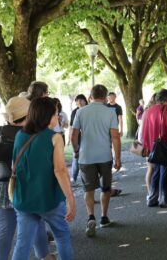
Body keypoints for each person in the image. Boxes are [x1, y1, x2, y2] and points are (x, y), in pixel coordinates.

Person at [0, 97, 53, 260]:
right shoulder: (33, 134)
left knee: (3, 232)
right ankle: (44, 256)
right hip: (25, 190)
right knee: (36, 224)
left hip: (0, 189)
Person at [11, 97, 76, 260]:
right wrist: (70, 199)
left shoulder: (20, 135)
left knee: (23, 244)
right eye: (55, 114)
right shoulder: (55, 137)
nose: (57, 118)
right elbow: (60, 170)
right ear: (46, 116)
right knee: (62, 237)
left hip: (24, 199)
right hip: (49, 199)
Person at [71, 85, 122, 237]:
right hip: (105, 156)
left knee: (89, 189)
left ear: (90, 96)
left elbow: (73, 135)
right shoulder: (111, 112)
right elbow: (115, 137)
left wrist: (76, 151)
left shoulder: (80, 111)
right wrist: (118, 158)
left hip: (86, 157)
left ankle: (90, 217)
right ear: (106, 97)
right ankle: (104, 217)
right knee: (106, 188)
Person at [141, 89, 167, 208]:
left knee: (156, 172)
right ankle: (164, 199)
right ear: (166, 99)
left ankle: (152, 198)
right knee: (166, 172)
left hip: (153, 145)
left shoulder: (149, 111)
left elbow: (145, 130)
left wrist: (146, 145)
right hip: (166, 144)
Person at [69, 94, 88, 184]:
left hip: (88, 137)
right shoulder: (74, 112)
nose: (79, 102)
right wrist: (70, 137)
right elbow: (71, 126)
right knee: (76, 157)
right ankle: (74, 177)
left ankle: (89, 178)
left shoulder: (89, 110)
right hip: (78, 137)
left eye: (81, 100)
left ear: (85, 100)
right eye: (77, 100)